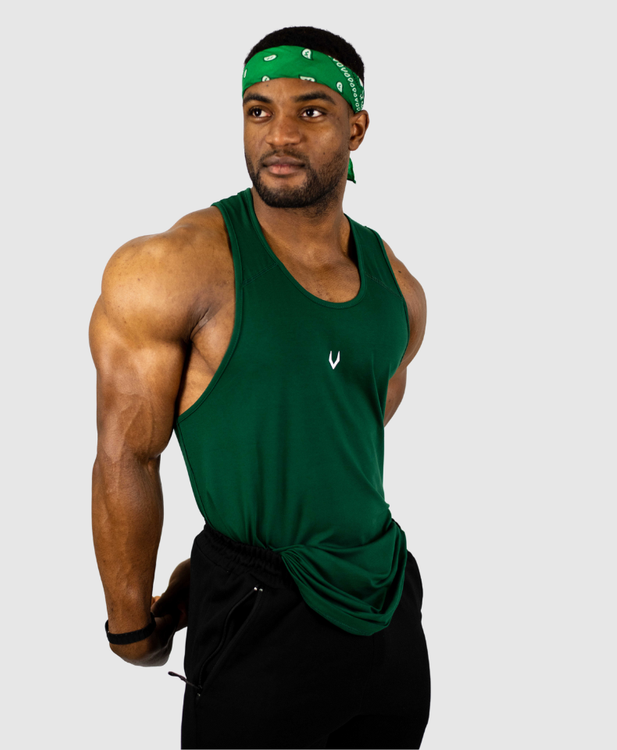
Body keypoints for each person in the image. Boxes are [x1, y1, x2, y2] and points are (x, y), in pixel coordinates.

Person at [90, 25, 430, 749]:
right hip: (258, 611)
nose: (279, 134)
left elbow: (341, 433)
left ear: (355, 129)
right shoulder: (173, 267)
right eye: (258, 110)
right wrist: (129, 624)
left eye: (311, 110)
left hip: (387, 603)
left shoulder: (398, 288)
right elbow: (127, 455)